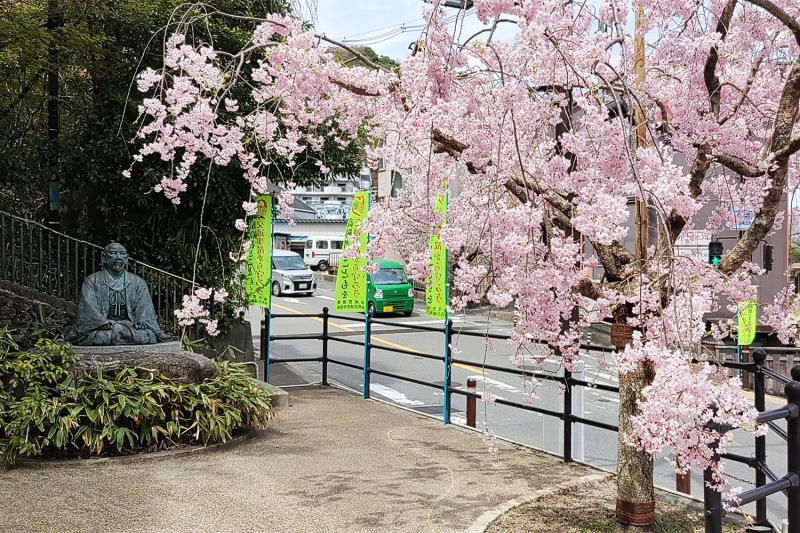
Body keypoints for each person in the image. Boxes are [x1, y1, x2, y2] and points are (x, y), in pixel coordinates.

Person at [65, 242, 172, 346]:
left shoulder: (137, 282)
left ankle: (120, 335)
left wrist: (142, 320)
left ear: (126, 258)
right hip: (104, 327)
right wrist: (101, 322)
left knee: (144, 336)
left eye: (122, 253)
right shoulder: (92, 281)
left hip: (130, 325)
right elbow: (87, 308)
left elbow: (144, 306)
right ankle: (118, 335)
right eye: (113, 253)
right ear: (103, 257)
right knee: (100, 338)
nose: (118, 257)